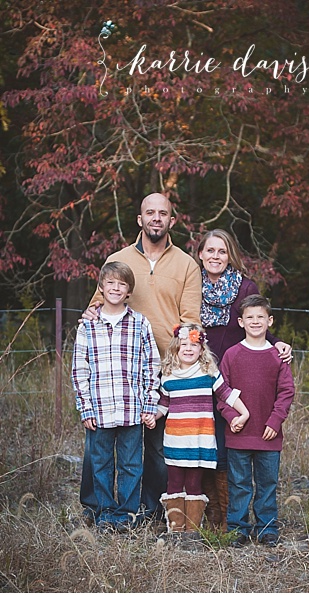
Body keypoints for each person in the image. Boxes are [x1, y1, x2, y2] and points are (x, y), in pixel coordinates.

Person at [81, 192, 201, 524]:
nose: (156, 218)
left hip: (165, 367)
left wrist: (184, 362)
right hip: (117, 367)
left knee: (156, 444)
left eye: (163, 213)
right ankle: (95, 506)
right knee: (101, 441)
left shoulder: (186, 264)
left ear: (171, 221)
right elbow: (96, 305)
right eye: (150, 212)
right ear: (140, 219)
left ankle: (149, 508)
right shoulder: (118, 259)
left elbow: (191, 319)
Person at [196, 229, 293, 530]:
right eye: (210, 251)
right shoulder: (189, 285)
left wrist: (277, 343)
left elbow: (256, 323)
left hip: (232, 378)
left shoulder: (243, 286)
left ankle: (226, 517)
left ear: (230, 255)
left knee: (228, 447)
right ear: (200, 254)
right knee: (198, 440)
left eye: (222, 251)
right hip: (197, 372)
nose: (215, 257)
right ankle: (201, 512)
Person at [72, 262, 160, 531]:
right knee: (101, 464)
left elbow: (151, 366)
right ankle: (104, 513)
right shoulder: (88, 325)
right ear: (101, 288)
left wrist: (149, 403)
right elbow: (79, 369)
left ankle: (126, 514)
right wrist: (85, 408)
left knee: (132, 464)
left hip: (131, 409)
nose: (115, 288)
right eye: (110, 283)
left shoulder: (139, 323)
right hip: (99, 409)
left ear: (129, 291)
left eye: (121, 284)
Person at [156, 323, 250, 534]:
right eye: (183, 345)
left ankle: (192, 530)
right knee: (174, 483)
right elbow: (163, 403)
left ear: (202, 349)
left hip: (199, 439)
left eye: (193, 345)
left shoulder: (208, 372)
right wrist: (152, 417)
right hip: (175, 439)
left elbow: (226, 393)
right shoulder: (168, 374)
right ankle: (175, 530)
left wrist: (244, 413)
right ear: (175, 348)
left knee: (194, 484)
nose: (188, 349)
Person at [218, 294, 295, 547]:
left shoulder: (277, 356)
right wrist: (231, 418)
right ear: (240, 322)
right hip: (238, 435)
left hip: (268, 435)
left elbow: (286, 392)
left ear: (270, 320)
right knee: (239, 485)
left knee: (267, 484)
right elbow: (222, 392)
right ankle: (238, 528)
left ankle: (267, 528)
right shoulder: (231, 355)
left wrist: (275, 422)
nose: (255, 321)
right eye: (249, 317)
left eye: (260, 316)